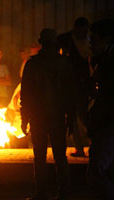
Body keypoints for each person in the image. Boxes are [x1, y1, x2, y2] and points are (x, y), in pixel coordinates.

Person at [21, 28, 76, 200]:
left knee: (40, 157)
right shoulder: (65, 64)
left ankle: (41, 194)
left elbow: (26, 95)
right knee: (61, 157)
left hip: (38, 117)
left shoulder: (32, 65)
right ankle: (64, 193)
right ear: (55, 43)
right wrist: (71, 118)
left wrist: (24, 118)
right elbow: (70, 94)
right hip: (57, 117)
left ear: (40, 42)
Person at [87, 18, 114, 200]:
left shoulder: (111, 60)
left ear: (106, 39)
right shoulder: (104, 58)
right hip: (105, 122)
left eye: (93, 39)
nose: (90, 43)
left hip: (109, 122)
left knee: (97, 172)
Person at [58, 17, 91, 157]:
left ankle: (93, 145)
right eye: (80, 31)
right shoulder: (65, 40)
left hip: (85, 85)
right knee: (71, 118)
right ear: (75, 29)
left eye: (85, 32)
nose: (83, 34)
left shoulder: (91, 41)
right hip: (68, 85)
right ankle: (79, 148)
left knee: (86, 117)